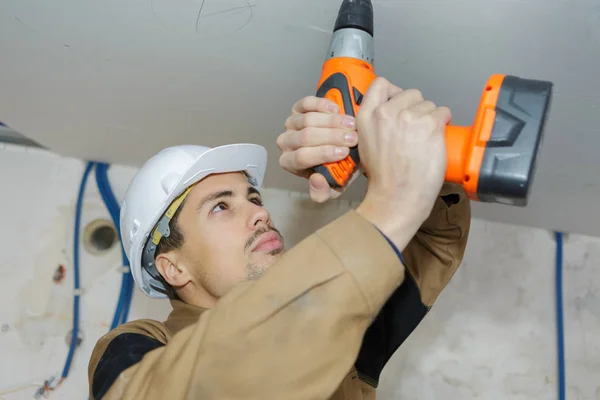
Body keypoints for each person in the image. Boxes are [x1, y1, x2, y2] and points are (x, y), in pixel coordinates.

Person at [87, 78, 471, 400]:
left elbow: (437, 236)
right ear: (173, 267)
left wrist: (377, 148)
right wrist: (387, 207)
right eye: (221, 207)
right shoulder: (137, 348)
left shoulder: (340, 322)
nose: (260, 212)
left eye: (253, 198)